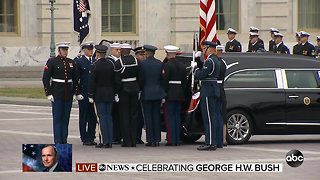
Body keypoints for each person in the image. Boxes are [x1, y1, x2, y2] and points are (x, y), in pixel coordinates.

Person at [42, 42, 80, 144]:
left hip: (68, 93)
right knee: (58, 118)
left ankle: (64, 139)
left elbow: (76, 79)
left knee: (66, 118)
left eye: (66, 50)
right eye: (63, 50)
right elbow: (45, 78)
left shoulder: (71, 62)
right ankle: (58, 140)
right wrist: (48, 93)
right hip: (57, 93)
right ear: (59, 50)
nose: (65, 52)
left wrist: (75, 93)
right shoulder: (52, 62)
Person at [88, 44, 120, 148]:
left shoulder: (95, 65)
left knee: (101, 118)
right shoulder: (111, 64)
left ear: (97, 53)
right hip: (110, 93)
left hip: (99, 95)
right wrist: (115, 92)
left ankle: (104, 141)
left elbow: (92, 82)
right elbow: (115, 80)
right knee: (109, 117)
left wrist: (90, 95)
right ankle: (110, 140)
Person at [193, 41, 222, 151]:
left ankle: (210, 143)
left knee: (209, 118)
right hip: (212, 89)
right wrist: (199, 64)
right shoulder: (214, 60)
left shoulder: (210, 61)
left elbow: (202, 75)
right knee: (212, 117)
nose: (204, 49)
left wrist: (195, 69)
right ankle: (212, 142)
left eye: (205, 47)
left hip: (208, 90)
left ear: (209, 48)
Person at [115, 43, 144, 147]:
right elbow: (141, 77)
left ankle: (127, 141)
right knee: (134, 115)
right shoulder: (137, 61)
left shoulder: (119, 62)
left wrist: (117, 92)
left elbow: (117, 80)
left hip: (124, 90)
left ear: (122, 51)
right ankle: (134, 139)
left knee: (124, 115)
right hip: (135, 89)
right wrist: (139, 89)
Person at [140, 45, 166, 147]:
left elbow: (141, 79)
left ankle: (150, 139)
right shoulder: (159, 63)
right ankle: (157, 139)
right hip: (157, 93)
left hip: (146, 93)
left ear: (146, 53)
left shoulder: (142, 64)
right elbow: (162, 79)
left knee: (148, 117)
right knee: (156, 116)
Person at [162, 45, 187, 146]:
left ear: (168, 54)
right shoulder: (182, 65)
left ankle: (172, 140)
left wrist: (164, 94)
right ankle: (177, 139)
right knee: (177, 117)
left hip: (170, 93)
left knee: (170, 117)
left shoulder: (167, 65)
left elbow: (164, 81)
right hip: (179, 93)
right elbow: (185, 82)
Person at [75, 42, 97, 146]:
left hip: (93, 93)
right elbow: (76, 79)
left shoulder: (95, 61)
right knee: (83, 116)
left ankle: (91, 136)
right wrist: (77, 92)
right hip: (83, 92)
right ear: (84, 50)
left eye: (92, 49)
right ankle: (84, 137)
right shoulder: (79, 62)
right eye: (89, 49)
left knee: (93, 116)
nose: (91, 51)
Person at [106, 43, 122, 145]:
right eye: (117, 50)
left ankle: (118, 136)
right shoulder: (109, 62)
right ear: (112, 51)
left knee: (119, 116)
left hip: (121, 93)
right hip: (112, 92)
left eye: (120, 50)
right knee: (111, 116)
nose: (119, 52)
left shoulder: (121, 61)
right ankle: (112, 136)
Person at [133, 46, 146, 144]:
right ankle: (136, 136)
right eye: (141, 55)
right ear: (136, 55)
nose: (143, 57)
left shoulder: (142, 63)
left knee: (140, 117)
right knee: (137, 116)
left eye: (144, 54)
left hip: (141, 91)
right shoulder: (136, 64)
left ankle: (138, 136)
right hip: (137, 91)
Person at [215, 45, 227, 147]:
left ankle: (218, 139)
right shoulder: (223, 63)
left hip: (216, 88)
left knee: (217, 115)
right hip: (221, 88)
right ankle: (222, 139)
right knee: (221, 115)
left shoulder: (216, 62)